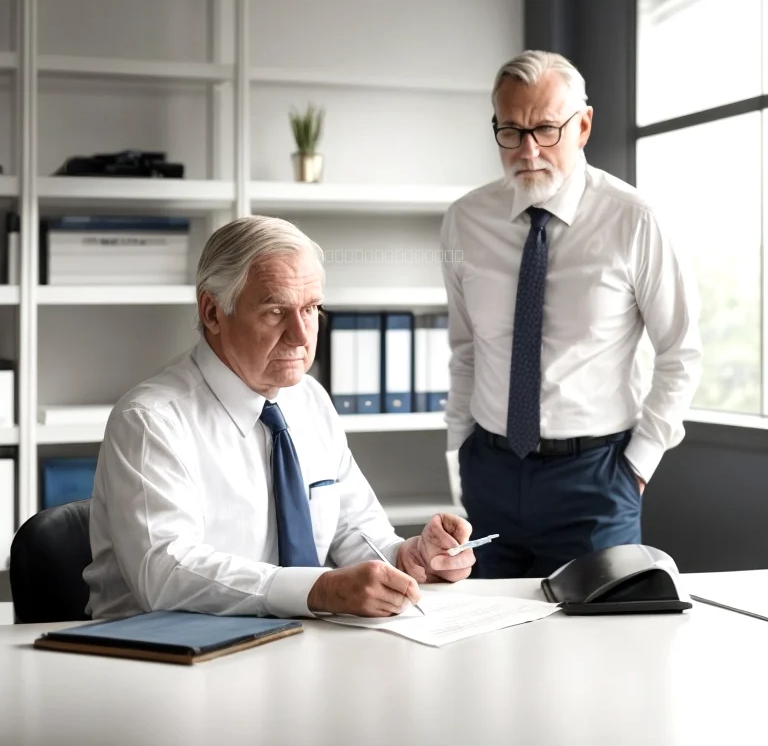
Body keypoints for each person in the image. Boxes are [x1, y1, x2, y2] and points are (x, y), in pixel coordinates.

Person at [84, 215, 474, 619]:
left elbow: (356, 530)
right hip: (162, 647)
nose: (302, 335)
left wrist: (410, 557)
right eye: (275, 312)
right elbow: (165, 575)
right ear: (213, 312)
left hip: (297, 643)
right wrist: (319, 590)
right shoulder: (151, 421)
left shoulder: (310, 400)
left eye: (311, 308)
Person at [440, 50, 702, 579]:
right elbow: (466, 349)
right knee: (487, 627)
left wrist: (636, 468)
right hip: (489, 473)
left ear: (582, 125)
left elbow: (681, 353)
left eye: (545, 129)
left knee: (596, 630)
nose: (528, 150)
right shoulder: (465, 221)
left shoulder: (635, 220)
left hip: (595, 482)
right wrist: (459, 452)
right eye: (510, 131)